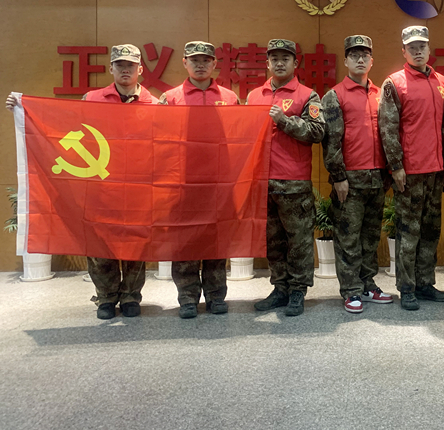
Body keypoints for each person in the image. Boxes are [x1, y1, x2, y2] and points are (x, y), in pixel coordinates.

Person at [6, 44, 156, 320]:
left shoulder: (155, 105)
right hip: (99, 186)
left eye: (131, 65)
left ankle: (131, 297)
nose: (125, 70)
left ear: (140, 70)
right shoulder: (92, 99)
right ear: (110, 68)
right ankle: (106, 298)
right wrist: (22, 109)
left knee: (135, 245)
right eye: (120, 65)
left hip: (138, 187)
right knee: (99, 245)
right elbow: (62, 123)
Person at [159, 41, 239, 319]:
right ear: (185, 63)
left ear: (215, 64)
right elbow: (157, 138)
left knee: (216, 239)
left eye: (206, 60)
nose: (201, 64)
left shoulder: (230, 97)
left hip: (218, 181)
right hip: (183, 183)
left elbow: (241, 136)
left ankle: (216, 296)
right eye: (195, 60)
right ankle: (187, 297)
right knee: (185, 241)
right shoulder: (170, 98)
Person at [248, 39, 325, 317]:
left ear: (295, 63)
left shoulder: (308, 95)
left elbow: (317, 132)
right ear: (267, 63)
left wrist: (284, 121)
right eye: (274, 58)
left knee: (299, 242)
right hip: (262, 181)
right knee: (273, 241)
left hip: (294, 182)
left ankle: (297, 291)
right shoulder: (254, 96)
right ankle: (280, 288)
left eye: (285, 58)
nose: (279, 63)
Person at [378, 25, 444, 311]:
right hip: (409, 172)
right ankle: (407, 287)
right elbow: (388, 127)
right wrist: (396, 166)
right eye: (412, 47)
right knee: (408, 233)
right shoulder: (394, 83)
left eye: (422, 46)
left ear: (429, 49)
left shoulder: (442, 81)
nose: (418, 51)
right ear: (404, 51)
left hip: (435, 171)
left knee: (430, 231)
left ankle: (425, 283)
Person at [322, 35, 393, 313]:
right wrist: (338, 177)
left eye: (365, 55)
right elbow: (331, 141)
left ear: (372, 61)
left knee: (370, 237)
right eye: (354, 55)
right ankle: (351, 290)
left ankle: (367, 285)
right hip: (349, 180)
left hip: (377, 178)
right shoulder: (335, 95)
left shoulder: (380, 93)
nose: (360, 59)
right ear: (346, 61)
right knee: (348, 238)